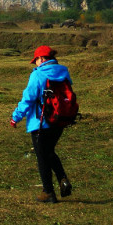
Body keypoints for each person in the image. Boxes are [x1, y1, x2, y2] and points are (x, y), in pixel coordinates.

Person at [10, 45, 73, 204]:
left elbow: (28, 99)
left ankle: (48, 192)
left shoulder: (37, 75)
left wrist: (16, 117)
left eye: (36, 60)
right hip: (60, 120)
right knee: (49, 152)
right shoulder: (64, 72)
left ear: (42, 59)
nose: (35, 63)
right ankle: (62, 178)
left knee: (42, 157)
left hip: (41, 123)